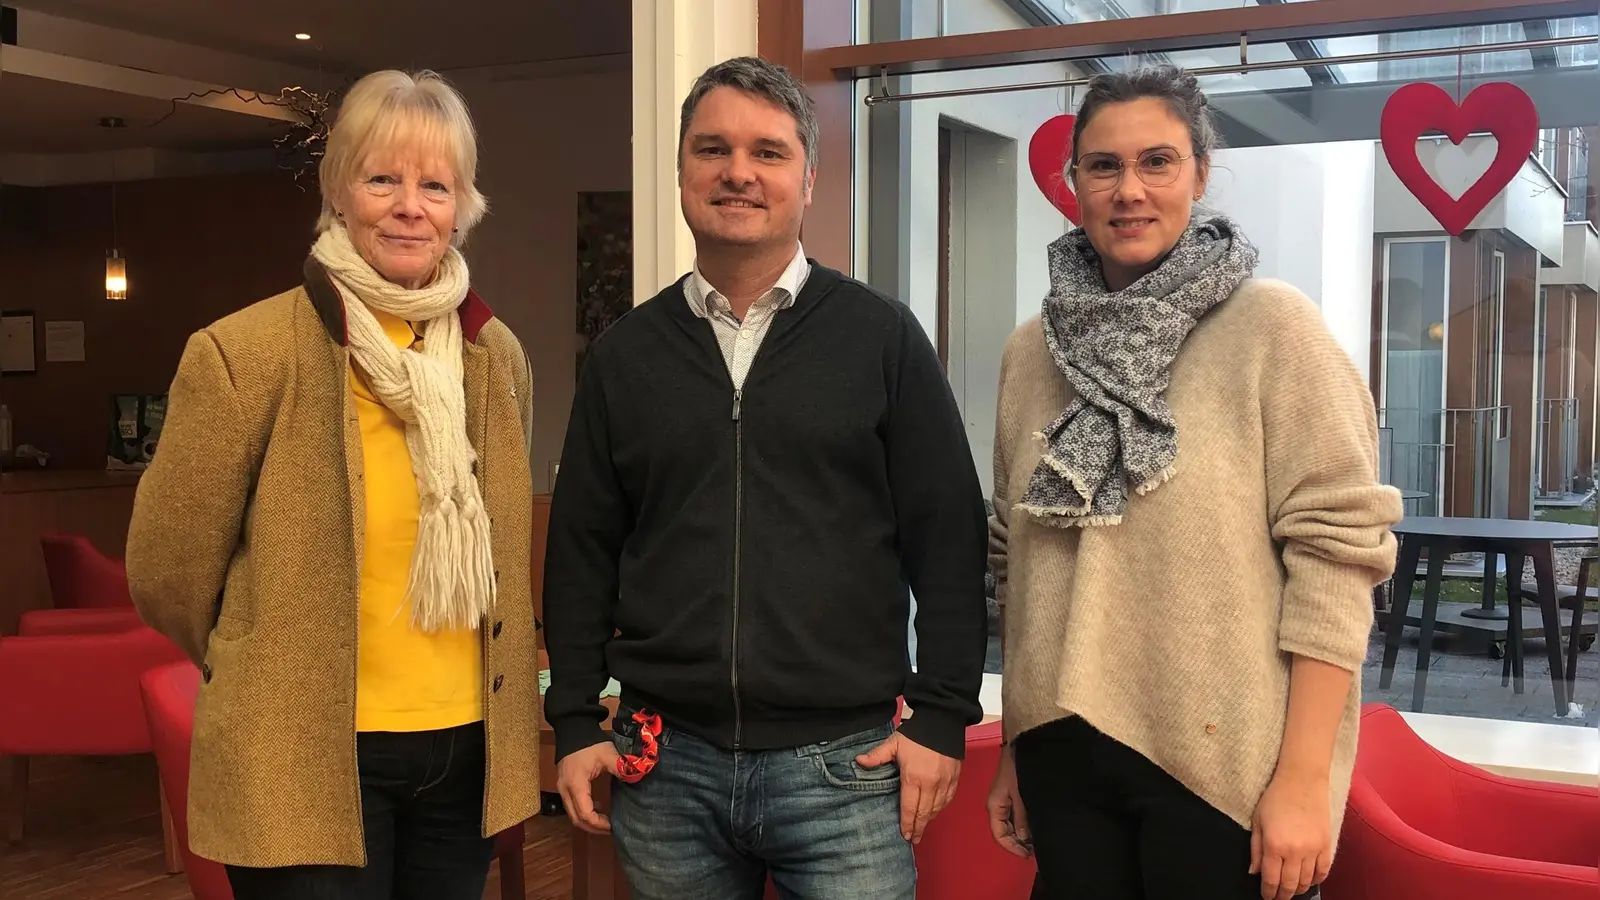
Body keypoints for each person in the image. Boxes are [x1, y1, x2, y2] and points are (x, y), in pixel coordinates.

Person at [542, 56, 989, 899]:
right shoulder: (625, 356)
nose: (738, 172)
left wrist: (941, 714)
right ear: (682, 171)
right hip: (665, 769)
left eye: (768, 152)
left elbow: (949, 540)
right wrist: (571, 717)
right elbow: (581, 553)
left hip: (846, 770)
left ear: (808, 180)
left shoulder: (882, 339)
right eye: (712, 149)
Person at [983, 65, 1402, 900]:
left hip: (1221, 765)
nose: (1129, 190)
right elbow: (1015, 556)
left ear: (1200, 174)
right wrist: (1016, 748)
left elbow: (1338, 557)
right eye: (1103, 165)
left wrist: (1306, 779)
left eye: (1158, 162)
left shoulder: (1274, 329)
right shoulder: (1032, 351)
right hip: (1063, 757)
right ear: (1074, 181)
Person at [125, 68, 540, 900]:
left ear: (461, 206)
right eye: (382, 179)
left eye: (435, 185)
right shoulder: (245, 355)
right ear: (339, 192)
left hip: (468, 756)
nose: (409, 206)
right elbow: (167, 572)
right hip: (299, 756)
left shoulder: (495, 359)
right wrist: (271, 657)